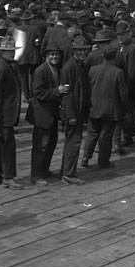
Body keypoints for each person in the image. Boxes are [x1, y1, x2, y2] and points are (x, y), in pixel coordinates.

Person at [82, 44, 129, 169]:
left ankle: (86, 156)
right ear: (114, 58)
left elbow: (87, 88)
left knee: (92, 133)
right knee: (106, 136)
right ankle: (103, 161)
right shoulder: (118, 72)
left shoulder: (93, 70)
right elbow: (123, 94)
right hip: (111, 109)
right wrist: (124, 109)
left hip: (94, 107)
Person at [29, 43, 70, 185]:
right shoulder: (41, 71)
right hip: (42, 115)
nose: (54, 57)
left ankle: (44, 170)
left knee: (51, 143)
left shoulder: (56, 69)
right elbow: (38, 93)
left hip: (51, 114)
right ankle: (36, 175)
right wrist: (57, 91)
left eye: (57, 55)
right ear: (46, 56)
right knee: (40, 146)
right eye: (51, 55)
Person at [0, 36, 24, 190]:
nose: (11, 54)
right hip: (3, 115)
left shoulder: (10, 66)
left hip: (6, 113)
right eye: (8, 51)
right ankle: (8, 177)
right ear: (2, 52)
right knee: (7, 146)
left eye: (12, 51)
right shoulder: (1, 68)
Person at [59, 35, 91, 184]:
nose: (82, 53)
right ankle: (69, 174)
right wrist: (71, 115)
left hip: (79, 110)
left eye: (84, 50)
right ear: (74, 51)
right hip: (73, 112)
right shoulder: (69, 67)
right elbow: (67, 93)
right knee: (74, 142)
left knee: (72, 142)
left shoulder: (80, 65)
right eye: (79, 50)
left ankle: (65, 170)